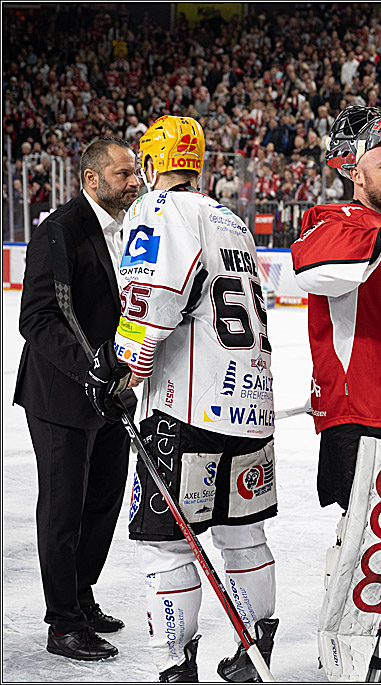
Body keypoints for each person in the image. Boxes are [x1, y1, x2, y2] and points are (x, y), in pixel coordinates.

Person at [96, 116, 279, 682]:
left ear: (152, 166)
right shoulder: (233, 221)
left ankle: (175, 663)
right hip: (249, 408)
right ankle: (255, 648)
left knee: (167, 548)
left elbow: (150, 306)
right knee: (243, 536)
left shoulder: (157, 209)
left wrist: (124, 374)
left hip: (184, 412)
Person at [288, 106, 381, 680]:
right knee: (366, 527)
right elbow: (312, 273)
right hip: (358, 405)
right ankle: (349, 635)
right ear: (357, 171)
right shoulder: (329, 219)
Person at [14, 137, 139, 661]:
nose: (135, 182)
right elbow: (38, 317)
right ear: (91, 180)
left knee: (102, 505)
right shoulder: (59, 231)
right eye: (123, 174)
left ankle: (81, 597)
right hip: (61, 398)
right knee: (64, 510)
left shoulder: (129, 231)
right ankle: (62, 623)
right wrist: (91, 368)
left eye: (135, 172)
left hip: (111, 399)